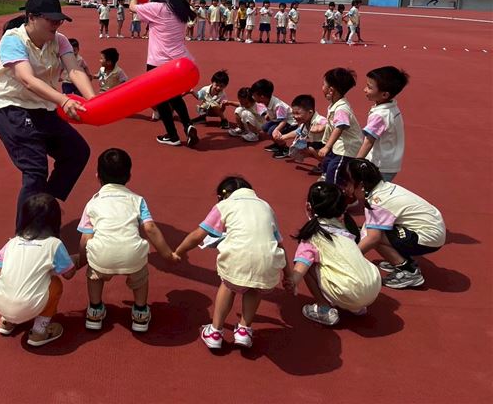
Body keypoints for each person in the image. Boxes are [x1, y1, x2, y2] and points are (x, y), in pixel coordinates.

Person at [0, 0, 95, 227]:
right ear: (32, 17)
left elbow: (74, 70)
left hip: (42, 106)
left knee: (77, 152)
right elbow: (26, 79)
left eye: (59, 20)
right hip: (12, 106)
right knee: (35, 169)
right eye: (51, 19)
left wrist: (93, 100)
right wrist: (64, 100)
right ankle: (25, 234)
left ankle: (44, 204)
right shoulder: (12, 40)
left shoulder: (60, 40)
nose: (56, 25)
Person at [175, 176, 288, 349]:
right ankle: (244, 330)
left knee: (228, 284)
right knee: (255, 286)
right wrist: (288, 275)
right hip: (268, 262)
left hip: (238, 258)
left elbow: (198, 235)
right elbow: (280, 244)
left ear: (221, 196)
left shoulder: (224, 206)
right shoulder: (266, 206)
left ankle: (215, 331)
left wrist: (178, 252)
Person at [78, 149, 179, 333]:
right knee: (140, 276)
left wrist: (81, 260)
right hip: (132, 256)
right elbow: (150, 228)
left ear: (98, 176)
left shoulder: (92, 203)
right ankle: (140, 312)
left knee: (94, 274)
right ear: (129, 176)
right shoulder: (137, 200)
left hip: (102, 256)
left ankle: (95, 310)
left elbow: (86, 237)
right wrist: (167, 254)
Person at [339, 159, 445, 289]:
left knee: (370, 235)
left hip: (428, 236)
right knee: (371, 228)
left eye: (346, 183)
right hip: (431, 229)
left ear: (361, 184)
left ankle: (409, 271)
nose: (345, 188)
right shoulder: (383, 188)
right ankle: (401, 259)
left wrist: (347, 259)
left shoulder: (377, 201)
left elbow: (373, 238)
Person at [285, 182, 381, 326]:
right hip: (373, 287)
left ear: (308, 207)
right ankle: (356, 307)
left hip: (349, 292)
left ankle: (324, 308)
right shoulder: (346, 231)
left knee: (310, 264)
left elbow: (301, 266)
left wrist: (292, 281)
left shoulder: (312, 238)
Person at [0, 193, 78, 346]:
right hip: (30, 305)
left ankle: (7, 321)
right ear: (55, 220)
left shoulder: (13, 242)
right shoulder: (53, 244)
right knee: (55, 284)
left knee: (12, 279)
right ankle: (39, 331)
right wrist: (76, 260)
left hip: (0, 302)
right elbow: (69, 273)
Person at [129, 0, 199, 148]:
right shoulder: (181, 7)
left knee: (160, 99)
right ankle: (188, 125)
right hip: (179, 61)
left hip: (158, 62)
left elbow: (132, 7)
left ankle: (173, 135)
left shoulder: (157, 7)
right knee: (175, 97)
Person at [356, 66, 409, 181]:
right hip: (390, 163)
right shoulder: (392, 107)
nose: (365, 89)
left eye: (369, 87)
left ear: (384, 95)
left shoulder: (380, 115)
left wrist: (355, 162)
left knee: (371, 190)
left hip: (380, 166)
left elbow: (368, 142)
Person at [318, 68, 363, 183]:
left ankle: (333, 187)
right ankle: (329, 179)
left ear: (331, 90)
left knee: (334, 170)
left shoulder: (341, 109)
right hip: (338, 146)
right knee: (327, 163)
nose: (322, 87)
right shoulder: (336, 105)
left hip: (346, 149)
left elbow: (340, 127)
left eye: (324, 85)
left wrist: (327, 146)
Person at [249, 79, 297, 155]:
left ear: (262, 97)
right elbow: (271, 110)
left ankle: (284, 148)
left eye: (254, 95)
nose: (252, 97)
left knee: (272, 131)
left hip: (290, 123)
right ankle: (277, 144)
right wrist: (268, 115)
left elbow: (284, 120)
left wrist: (276, 130)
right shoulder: (267, 100)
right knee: (265, 127)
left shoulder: (278, 106)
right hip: (279, 120)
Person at [277, 94, 327, 162]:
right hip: (319, 144)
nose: (295, 116)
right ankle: (323, 162)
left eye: (297, 113)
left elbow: (329, 124)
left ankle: (325, 163)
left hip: (331, 148)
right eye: (293, 113)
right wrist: (283, 137)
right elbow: (298, 131)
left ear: (310, 112)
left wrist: (322, 127)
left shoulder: (319, 120)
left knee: (311, 148)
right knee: (300, 148)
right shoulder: (305, 122)